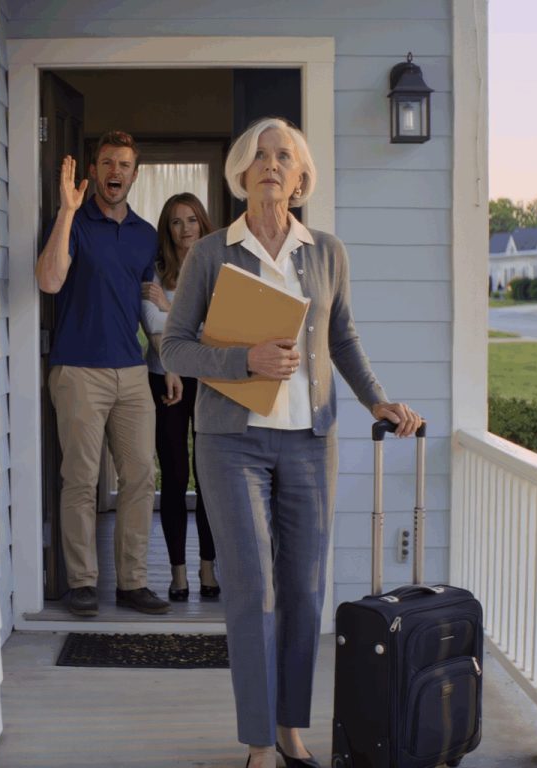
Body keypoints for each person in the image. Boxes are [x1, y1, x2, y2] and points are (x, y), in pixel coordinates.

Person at [161, 117, 422, 768]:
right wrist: (242, 359)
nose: (271, 164)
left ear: (301, 178)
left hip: (310, 442)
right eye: (259, 155)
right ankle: (257, 743)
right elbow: (175, 347)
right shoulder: (211, 253)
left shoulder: (327, 252)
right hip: (230, 444)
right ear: (240, 174)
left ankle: (289, 730)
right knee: (252, 591)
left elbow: (344, 340)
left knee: (304, 591)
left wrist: (377, 399)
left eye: (285, 157)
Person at [35, 130, 170, 618]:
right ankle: (82, 583)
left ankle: (133, 583)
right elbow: (49, 280)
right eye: (108, 162)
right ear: (93, 171)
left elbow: (146, 303)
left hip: (131, 371)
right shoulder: (73, 221)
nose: (116, 172)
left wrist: (164, 357)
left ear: (135, 174)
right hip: (78, 369)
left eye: (125, 165)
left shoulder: (143, 233)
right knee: (81, 478)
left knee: (140, 477)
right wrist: (68, 211)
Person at [141, 193, 221, 601]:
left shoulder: (218, 268)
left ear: (203, 225)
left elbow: (219, 326)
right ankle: (178, 574)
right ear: (167, 229)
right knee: (173, 476)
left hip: (209, 380)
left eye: (192, 220)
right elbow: (152, 324)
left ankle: (208, 568)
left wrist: (170, 307)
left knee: (207, 475)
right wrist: (182, 318)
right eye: (176, 222)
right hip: (165, 377)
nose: (185, 229)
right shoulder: (155, 270)